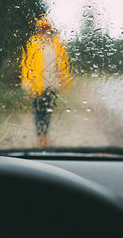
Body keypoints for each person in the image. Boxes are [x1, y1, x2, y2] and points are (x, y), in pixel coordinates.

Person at [21, 16, 72, 147]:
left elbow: (64, 63)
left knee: (48, 111)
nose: (44, 31)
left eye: (47, 28)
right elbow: (26, 63)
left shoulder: (58, 43)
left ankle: (45, 136)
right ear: (38, 29)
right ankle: (40, 137)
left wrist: (65, 80)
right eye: (42, 29)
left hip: (51, 84)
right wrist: (26, 81)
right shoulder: (32, 42)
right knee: (38, 111)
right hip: (37, 84)